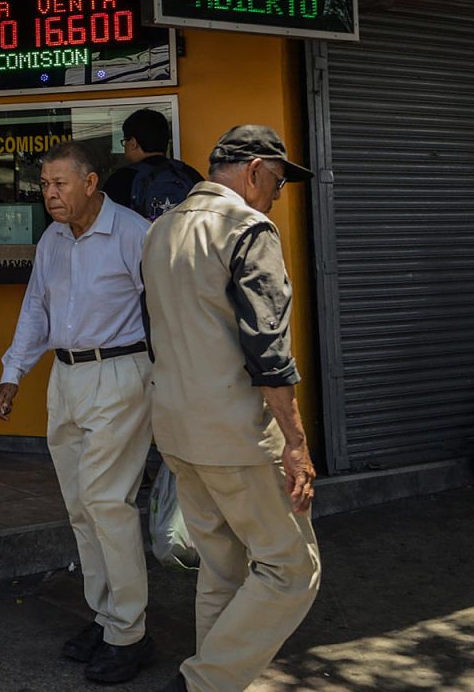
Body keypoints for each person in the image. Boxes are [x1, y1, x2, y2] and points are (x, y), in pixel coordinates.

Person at [141, 124, 321, 692]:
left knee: (222, 568)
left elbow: (156, 332)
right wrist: (295, 441)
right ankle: (203, 682)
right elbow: (268, 349)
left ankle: (212, 681)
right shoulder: (247, 229)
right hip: (236, 434)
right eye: (277, 180)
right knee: (292, 570)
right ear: (253, 170)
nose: (277, 192)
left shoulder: (160, 231)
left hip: (174, 427)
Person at [0, 141, 155, 684]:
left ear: (91, 183)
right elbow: (36, 306)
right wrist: (13, 373)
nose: (50, 194)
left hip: (120, 373)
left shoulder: (133, 233)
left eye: (59, 183)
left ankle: (129, 633)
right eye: (44, 185)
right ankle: (106, 617)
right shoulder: (53, 238)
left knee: (108, 503)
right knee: (81, 507)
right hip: (65, 377)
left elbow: (163, 311)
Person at [102, 109, 203, 221]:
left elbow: (104, 220)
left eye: (125, 141)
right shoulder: (189, 174)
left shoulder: (122, 179)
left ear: (133, 143)